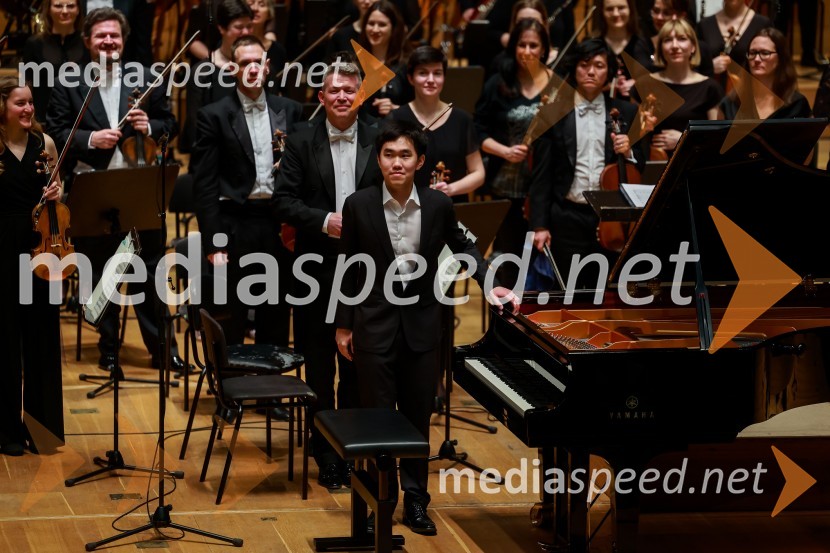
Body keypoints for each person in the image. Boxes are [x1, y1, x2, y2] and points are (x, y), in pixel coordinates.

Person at [335, 119, 519, 536]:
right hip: (373, 323)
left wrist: (491, 285)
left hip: (422, 324)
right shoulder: (358, 204)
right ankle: (372, 502)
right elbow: (347, 268)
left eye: (405, 155)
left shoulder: (438, 205)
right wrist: (343, 325)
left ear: (419, 161)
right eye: (388, 155)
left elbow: (464, 246)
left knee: (418, 416)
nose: (396, 163)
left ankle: (416, 502)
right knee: (375, 418)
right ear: (378, 159)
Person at [46, 7, 182, 372]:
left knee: (150, 269)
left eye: (115, 36)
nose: (109, 41)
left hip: (139, 187)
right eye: (101, 36)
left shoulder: (147, 78)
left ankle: (162, 349)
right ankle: (108, 348)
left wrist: (149, 125)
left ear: (123, 41)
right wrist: (91, 138)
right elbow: (56, 133)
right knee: (99, 271)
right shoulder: (68, 80)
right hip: (95, 188)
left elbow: (171, 126)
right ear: (88, 41)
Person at [272, 61, 382, 490]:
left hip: (367, 270)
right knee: (319, 367)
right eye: (333, 90)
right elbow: (282, 202)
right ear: (321, 97)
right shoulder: (300, 139)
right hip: (315, 267)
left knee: (357, 366)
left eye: (349, 91)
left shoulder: (380, 138)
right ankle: (324, 455)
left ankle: (351, 449)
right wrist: (325, 221)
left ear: (360, 96)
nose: (341, 97)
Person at [192, 35, 302, 346]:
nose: (252, 68)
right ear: (232, 69)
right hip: (233, 223)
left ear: (267, 67)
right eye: (244, 63)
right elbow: (204, 183)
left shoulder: (290, 110)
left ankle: (272, 390)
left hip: (277, 222)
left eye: (257, 62)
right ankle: (232, 389)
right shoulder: (213, 115)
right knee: (232, 314)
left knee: (276, 311)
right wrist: (214, 243)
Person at [529, 38, 644, 288]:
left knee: (607, 292)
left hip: (611, 219)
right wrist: (540, 225)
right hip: (567, 216)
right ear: (574, 69)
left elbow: (644, 166)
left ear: (609, 73)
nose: (591, 71)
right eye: (584, 64)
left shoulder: (627, 112)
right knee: (568, 293)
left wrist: (629, 152)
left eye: (600, 65)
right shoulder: (553, 113)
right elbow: (542, 174)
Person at [0, 78, 64, 456]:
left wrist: (57, 191)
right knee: (5, 340)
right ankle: (6, 429)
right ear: (3, 108)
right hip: (3, 250)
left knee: (40, 336)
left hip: (40, 250)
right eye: (20, 103)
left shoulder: (46, 144)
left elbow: (58, 195)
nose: (28, 109)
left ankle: (41, 429)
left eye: (31, 103)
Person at [474, 18, 551, 288]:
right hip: (507, 188)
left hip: (547, 190)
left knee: (545, 271)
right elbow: (477, 130)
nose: (527, 51)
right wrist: (504, 151)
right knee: (511, 266)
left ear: (544, 49)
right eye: (522, 45)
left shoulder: (558, 86)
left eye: (533, 45)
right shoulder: (498, 83)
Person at [390, 46, 485, 198]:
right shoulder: (396, 118)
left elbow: (478, 173)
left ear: (444, 77)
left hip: (452, 209)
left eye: (437, 73)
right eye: (423, 73)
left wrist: (451, 189)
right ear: (410, 78)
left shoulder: (462, 120)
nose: (431, 80)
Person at [637, 18, 722, 153]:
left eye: (682, 38)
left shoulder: (710, 87)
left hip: (692, 164)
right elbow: (634, 136)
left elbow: (716, 139)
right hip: (652, 165)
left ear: (693, 46)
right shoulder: (644, 85)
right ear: (660, 48)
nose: (675, 45)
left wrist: (684, 140)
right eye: (668, 40)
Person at [180, 0, 254, 154]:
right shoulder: (202, 72)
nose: (246, 33)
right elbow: (196, 126)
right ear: (221, 28)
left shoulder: (258, 68)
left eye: (249, 27)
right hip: (214, 156)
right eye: (239, 27)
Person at [720, 27, 812, 120]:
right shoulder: (730, 103)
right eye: (752, 52)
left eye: (765, 53)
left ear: (780, 58)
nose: (756, 59)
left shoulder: (797, 104)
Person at [23, 0, 86, 117]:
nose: (65, 11)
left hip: (79, 117)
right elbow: (27, 84)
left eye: (71, 6)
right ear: (49, 9)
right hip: (42, 116)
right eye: (58, 6)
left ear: (78, 10)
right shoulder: (34, 44)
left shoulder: (88, 43)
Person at [355, 0, 412, 118]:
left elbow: (420, 108)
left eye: (382, 24)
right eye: (371, 23)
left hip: (397, 131)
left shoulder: (407, 64)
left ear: (394, 28)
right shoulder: (355, 63)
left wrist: (396, 109)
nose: (375, 30)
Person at [697, 0, 771, 88]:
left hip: (752, 92)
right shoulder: (704, 25)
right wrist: (710, 67)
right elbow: (693, 65)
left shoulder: (762, 24)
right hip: (712, 94)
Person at [592, 0, 652, 99]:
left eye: (621, 8)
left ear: (630, 10)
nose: (615, 14)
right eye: (609, 9)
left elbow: (652, 79)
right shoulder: (593, 44)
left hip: (635, 108)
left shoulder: (642, 43)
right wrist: (606, 87)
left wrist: (635, 84)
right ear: (602, 12)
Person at [80, 0, 155, 66]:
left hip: (126, 68)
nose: (108, 41)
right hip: (83, 66)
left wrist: (141, 75)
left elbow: (143, 42)